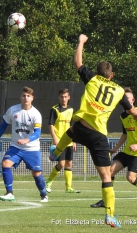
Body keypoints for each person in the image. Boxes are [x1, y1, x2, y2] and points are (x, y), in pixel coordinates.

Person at [49, 34, 137, 228]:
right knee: (106, 177)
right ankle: (110, 216)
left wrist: (81, 42)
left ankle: (55, 152)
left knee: (71, 130)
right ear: (111, 75)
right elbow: (132, 111)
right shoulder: (120, 91)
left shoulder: (91, 79)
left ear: (98, 73)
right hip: (99, 137)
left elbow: (77, 62)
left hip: (82, 128)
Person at [0, 86, 48, 202]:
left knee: (36, 173)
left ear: (32, 98)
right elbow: (3, 125)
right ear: (20, 97)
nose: (26, 98)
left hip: (32, 148)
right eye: (23, 95)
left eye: (28, 96)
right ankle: (9, 193)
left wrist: (27, 140)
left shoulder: (36, 114)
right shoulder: (12, 110)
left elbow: (37, 133)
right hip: (15, 146)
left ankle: (43, 194)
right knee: (5, 163)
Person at [91, 87, 137, 208]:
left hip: (136, 153)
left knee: (131, 178)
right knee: (109, 171)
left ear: (133, 100)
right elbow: (125, 134)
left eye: (128, 98)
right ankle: (105, 200)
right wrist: (116, 148)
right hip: (127, 151)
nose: (126, 101)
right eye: (124, 99)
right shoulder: (123, 116)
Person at [46, 88, 80, 193]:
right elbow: (50, 125)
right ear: (58, 97)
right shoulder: (54, 109)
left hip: (69, 141)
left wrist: (74, 141)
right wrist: (54, 138)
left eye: (65, 97)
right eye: (62, 96)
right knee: (61, 164)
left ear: (69, 97)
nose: (63, 99)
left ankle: (68, 187)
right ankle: (48, 181)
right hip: (59, 141)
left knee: (69, 164)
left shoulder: (71, 110)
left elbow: (72, 127)